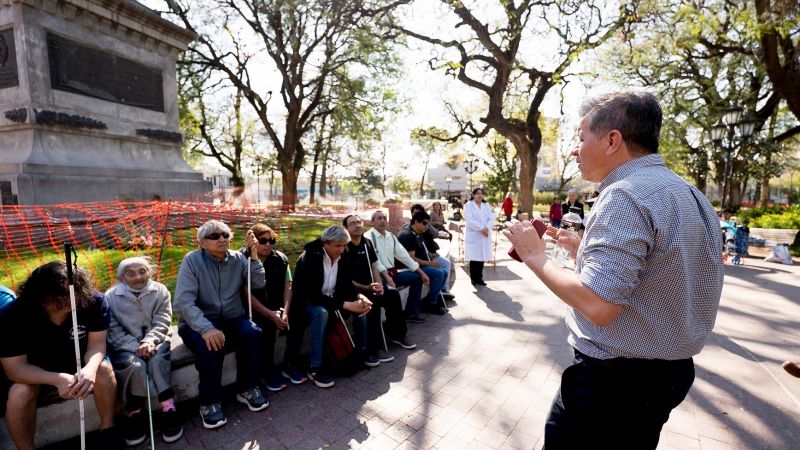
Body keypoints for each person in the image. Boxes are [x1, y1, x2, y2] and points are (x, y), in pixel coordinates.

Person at [503, 91, 723, 449]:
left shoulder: (625, 195)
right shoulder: (689, 193)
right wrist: (583, 250)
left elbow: (599, 306)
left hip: (612, 386)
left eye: (580, 137)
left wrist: (534, 255)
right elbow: (663, 271)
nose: (575, 150)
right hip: (668, 375)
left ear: (612, 140)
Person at [0, 262, 121, 450]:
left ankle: (108, 429)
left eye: (73, 293)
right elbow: (15, 368)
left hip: (79, 357)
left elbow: (97, 344)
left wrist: (89, 370)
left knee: (103, 370)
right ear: (40, 294)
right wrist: (56, 379)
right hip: (35, 368)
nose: (68, 300)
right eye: (59, 296)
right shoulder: (12, 315)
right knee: (20, 393)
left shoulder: (95, 301)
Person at [173, 220, 268, 430]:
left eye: (225, 234)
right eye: (214, 236)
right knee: (211, 345)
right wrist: (206, 328)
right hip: (198, 320)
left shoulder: (238, 259)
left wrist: (253, 256)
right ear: (202, 243)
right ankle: (209, 402)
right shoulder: (192, 261)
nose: (222, 239)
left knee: (252, 333)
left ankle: (247, 388)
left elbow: (258, 283)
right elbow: (183, 302)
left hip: (232, 318)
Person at [106, 257, 182, 445]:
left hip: (157, 340)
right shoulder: (110, 297)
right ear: (122, 278)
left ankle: (169, 409)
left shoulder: (160, 290)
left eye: (142, 271)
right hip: (125, 345)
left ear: (150, 272)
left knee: (157, 362)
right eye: (130, 274)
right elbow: (113, 330)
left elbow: (163, 320)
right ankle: (135, 414)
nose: (138, 277)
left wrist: (149, 341)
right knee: (134, 365)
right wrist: (136, 347)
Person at [293, 226, 373, 388]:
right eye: (338, 245)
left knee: (361, 308)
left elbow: (346, 284)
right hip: (308, 303)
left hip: (332, 299)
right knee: (321, 313)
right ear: (326, 243)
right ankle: (315, 367)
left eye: (344, 245)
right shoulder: (310, 258)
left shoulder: (343, 256)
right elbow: (311, 295)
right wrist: (346, 304)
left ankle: (360, 353)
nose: (342, 249)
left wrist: (359, 297)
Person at [242, 223, 307, 392]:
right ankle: (266, 371)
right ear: (252, 241)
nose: (268, 244)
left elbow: (288, 285)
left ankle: (290, 364)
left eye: (272, 240)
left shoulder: (280, 259)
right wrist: (270, 315)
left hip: (276, 305)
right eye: (263, 241)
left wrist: (285, 310)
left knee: (299, 318)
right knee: (266, 326)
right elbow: (245, 293)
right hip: (251, 309)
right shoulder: (243, 259)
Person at [344, 215, 415, 361]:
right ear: (346, 228)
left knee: (393, 294)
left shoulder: (367, 243)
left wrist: (380, 285)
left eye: (358, 222)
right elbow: (345, 279)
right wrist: (367, 288)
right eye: (352, 223)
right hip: (355, 290)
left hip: (372, 286)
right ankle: (374, 348)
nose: (357, 225)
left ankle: (398, 335)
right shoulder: (344, 247)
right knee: (373, 303)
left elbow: (374, 266)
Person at [366, 210, 431, 324]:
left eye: (384, 218)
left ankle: (411, 312)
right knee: (392, 294)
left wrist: (421, 272)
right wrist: (388, 279)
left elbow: (404, 256)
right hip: (379, 277)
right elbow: (375, 262)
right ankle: (393, 325)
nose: (382, 221)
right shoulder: (368, 237)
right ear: (372, 222)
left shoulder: (390, 236)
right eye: (379, 218)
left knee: (417, 277)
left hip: (392, 273)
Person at [398, 212, 447, 315]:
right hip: (410, 267)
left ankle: (432, 298)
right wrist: (429, 263)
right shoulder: (407, 235)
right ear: (416, 222)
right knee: (439, 274)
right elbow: (411, 259)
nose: (427, 226)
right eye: (425, 223)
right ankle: (431, 303)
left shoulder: (419, 233)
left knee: (444, 272)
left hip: (422, 265)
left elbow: (421, 249)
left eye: (428, 224)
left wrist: (429, 254)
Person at [404, 204, 455, 302]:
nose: (416, 214)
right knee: (439, 273)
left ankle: (444, 291)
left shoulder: (423, 226)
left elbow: (435, 234)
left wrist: (427, 225)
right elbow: (411, 257)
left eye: (419, 213)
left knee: (445, 265)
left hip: (428, 254)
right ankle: (432, 301)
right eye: (414, 213)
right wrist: (429, 263)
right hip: (418, 261)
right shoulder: (409, 230)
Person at [465, 187, 495, 286]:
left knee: (482, 257)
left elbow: (491, 218)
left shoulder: (486, 205)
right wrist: (482, 228)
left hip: (484, 234)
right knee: (474, 258)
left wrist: (487, 228)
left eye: (481, 193)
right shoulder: (468, 205)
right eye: (477, 193)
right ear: (473, 195)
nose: (479, 195)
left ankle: (480, 278)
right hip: (474, 234)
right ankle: (473, 278)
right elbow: (470, 221)